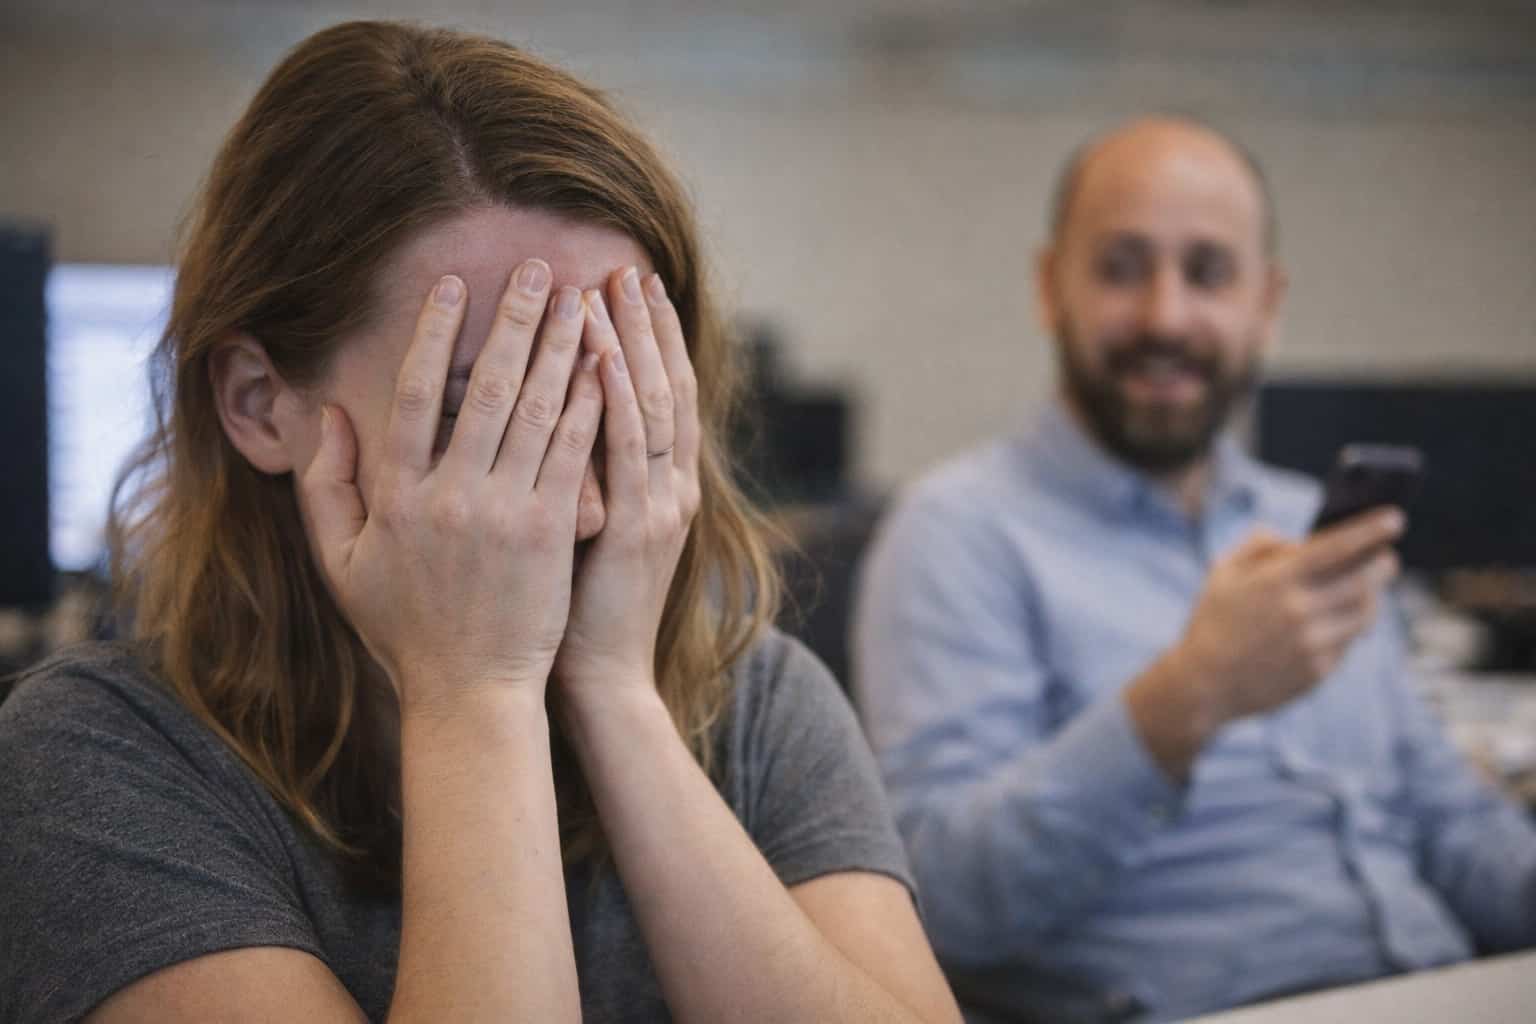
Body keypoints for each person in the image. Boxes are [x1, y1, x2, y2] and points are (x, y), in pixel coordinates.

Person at [0, 21, 963, 1024]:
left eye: (619, 406)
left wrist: (616, 696)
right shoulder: (96, 755)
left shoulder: (756, 702)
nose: (580, 502)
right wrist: (474, 690)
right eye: (485, 415)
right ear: (257, 403)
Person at [852, 116, 1536, 1023]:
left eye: (1208, 273)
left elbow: (1449, 822)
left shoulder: (1307, 523)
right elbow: (940, 903)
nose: (1165, 316)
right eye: (1120, 267)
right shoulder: (957, 532)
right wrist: (1190, 696)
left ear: (1267, 303)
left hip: (1452, 987)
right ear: (1049, 286)